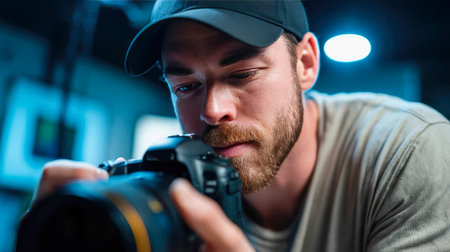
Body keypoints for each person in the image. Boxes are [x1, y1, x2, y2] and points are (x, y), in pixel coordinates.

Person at [27, 0, 450, 251]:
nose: (212, 111)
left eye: (242, 74)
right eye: (186, 85)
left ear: (305, 64)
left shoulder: (408, 150)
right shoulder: (166, 193)